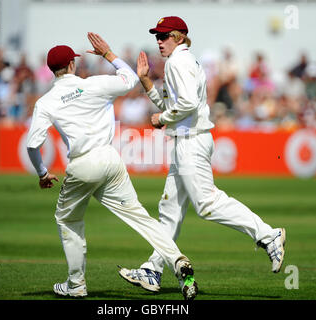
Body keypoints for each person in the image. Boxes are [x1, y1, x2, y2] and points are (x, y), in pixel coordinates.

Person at [119, 16, 286, 294]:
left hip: (191, 142)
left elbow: (183, 104)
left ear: (180, 37)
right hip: (188, 140)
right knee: (170, 211)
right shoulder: (184, 61)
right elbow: (173, 104)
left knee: (207, 203)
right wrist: (147, 82)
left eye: (164, 36)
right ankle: (152, 270)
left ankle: (269, 236)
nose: (159, 41)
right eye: (157, 37)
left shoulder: (179, 62)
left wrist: (161, 118)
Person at [26, 32, 198, 300]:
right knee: (140, 216)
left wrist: (42, 173)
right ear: (72, 64)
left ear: (52, 70)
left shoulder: (45, 102)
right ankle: (177, 261)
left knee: (68, 219)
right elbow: (130, 78)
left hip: (83, 164)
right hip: (110, 159)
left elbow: (32, 145)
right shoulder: (93, 84)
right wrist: (108, 54)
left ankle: (76, 285)